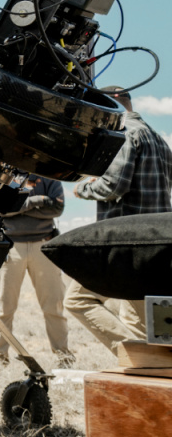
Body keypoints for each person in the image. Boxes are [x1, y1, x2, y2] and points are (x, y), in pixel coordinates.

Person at [67, 86, 172, 354]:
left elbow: (114, 186)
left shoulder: (125, 135)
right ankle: (152, 371)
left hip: (125, 240)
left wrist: (83, 188)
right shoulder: (156, 137)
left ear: (112, 103)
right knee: (144, 320)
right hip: (155, 241)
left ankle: (138, 358)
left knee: (78, 300)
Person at [0, 175, 73, 367]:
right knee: (4, 307)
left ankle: (64, 356)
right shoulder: (9, 177)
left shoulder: (51, 179)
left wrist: (19, 207)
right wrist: (40, 201)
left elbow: (57, 209)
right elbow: (0, 209)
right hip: (11, 246)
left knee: (54, 305)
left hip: (44, 246)